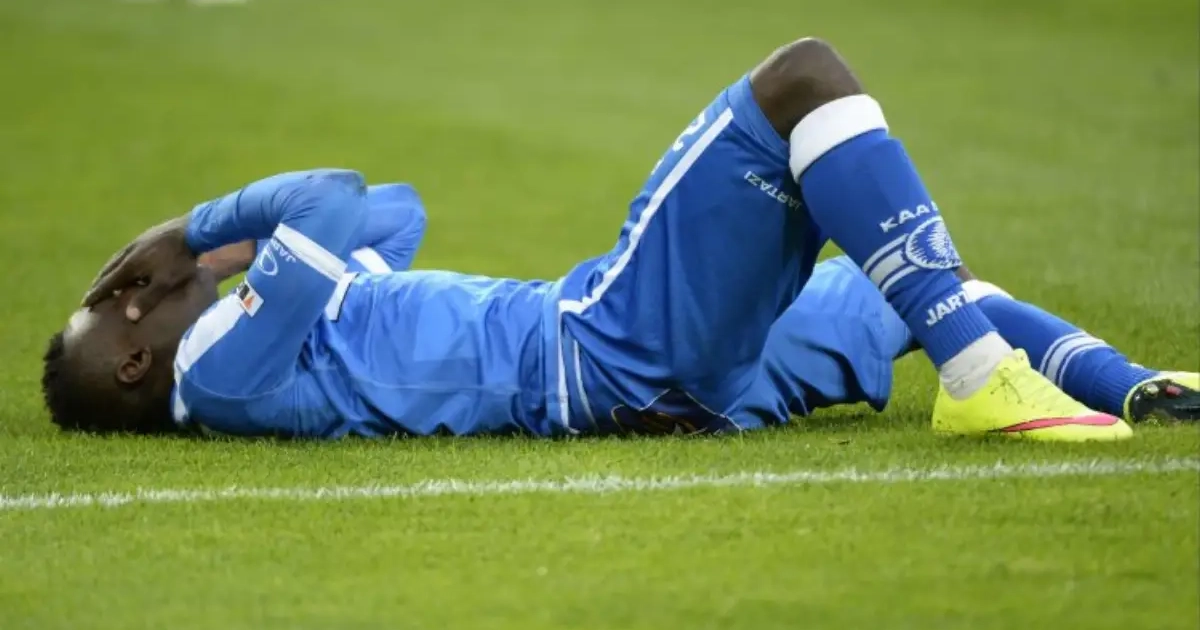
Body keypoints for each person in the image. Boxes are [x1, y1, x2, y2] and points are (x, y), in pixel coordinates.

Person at [45, 38, 1170, 440]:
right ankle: (979, 386)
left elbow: (393, 211)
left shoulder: (287, 332)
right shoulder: (223, 374)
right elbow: (333, 199)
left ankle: (1130, 389)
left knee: (924, 284)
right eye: (118, 301)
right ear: (133, 361)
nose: (135, 284)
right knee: (802, 79)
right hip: (603, 352)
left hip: (666, 382)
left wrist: (221, 255)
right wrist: (192, 227)